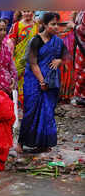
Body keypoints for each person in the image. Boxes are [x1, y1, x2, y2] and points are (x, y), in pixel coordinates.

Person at [17, 12, 67, 153]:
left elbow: (65, 56)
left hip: (51, 82)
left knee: (48, 113)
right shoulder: (35, 41)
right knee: (31, 111)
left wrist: (59, 60)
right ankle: (21, 142)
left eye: (57, 24)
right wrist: (41, 81)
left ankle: (43, 143)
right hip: (34, 82)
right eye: (53, 24)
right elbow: (33, 63)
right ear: (44, 25)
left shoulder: (58, 41)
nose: (56, 27)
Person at [9, 11, 39, 106]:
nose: (27, 13)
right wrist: (10, 57)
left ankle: (29, 104)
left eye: (29, 11)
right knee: (17, 81)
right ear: (21, 11)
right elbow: (12, 42)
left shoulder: (37, 25)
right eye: (25, 11)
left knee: (30, 81)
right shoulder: (16, 25)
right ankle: (18, 104)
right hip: (18, 58)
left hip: (33, 59)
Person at [73, 11, 85, 106]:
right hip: (80, 46)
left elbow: (83, 29)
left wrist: (73, 26)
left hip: (82, 45)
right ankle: (80, 97)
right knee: (80, 71)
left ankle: (82, 97)